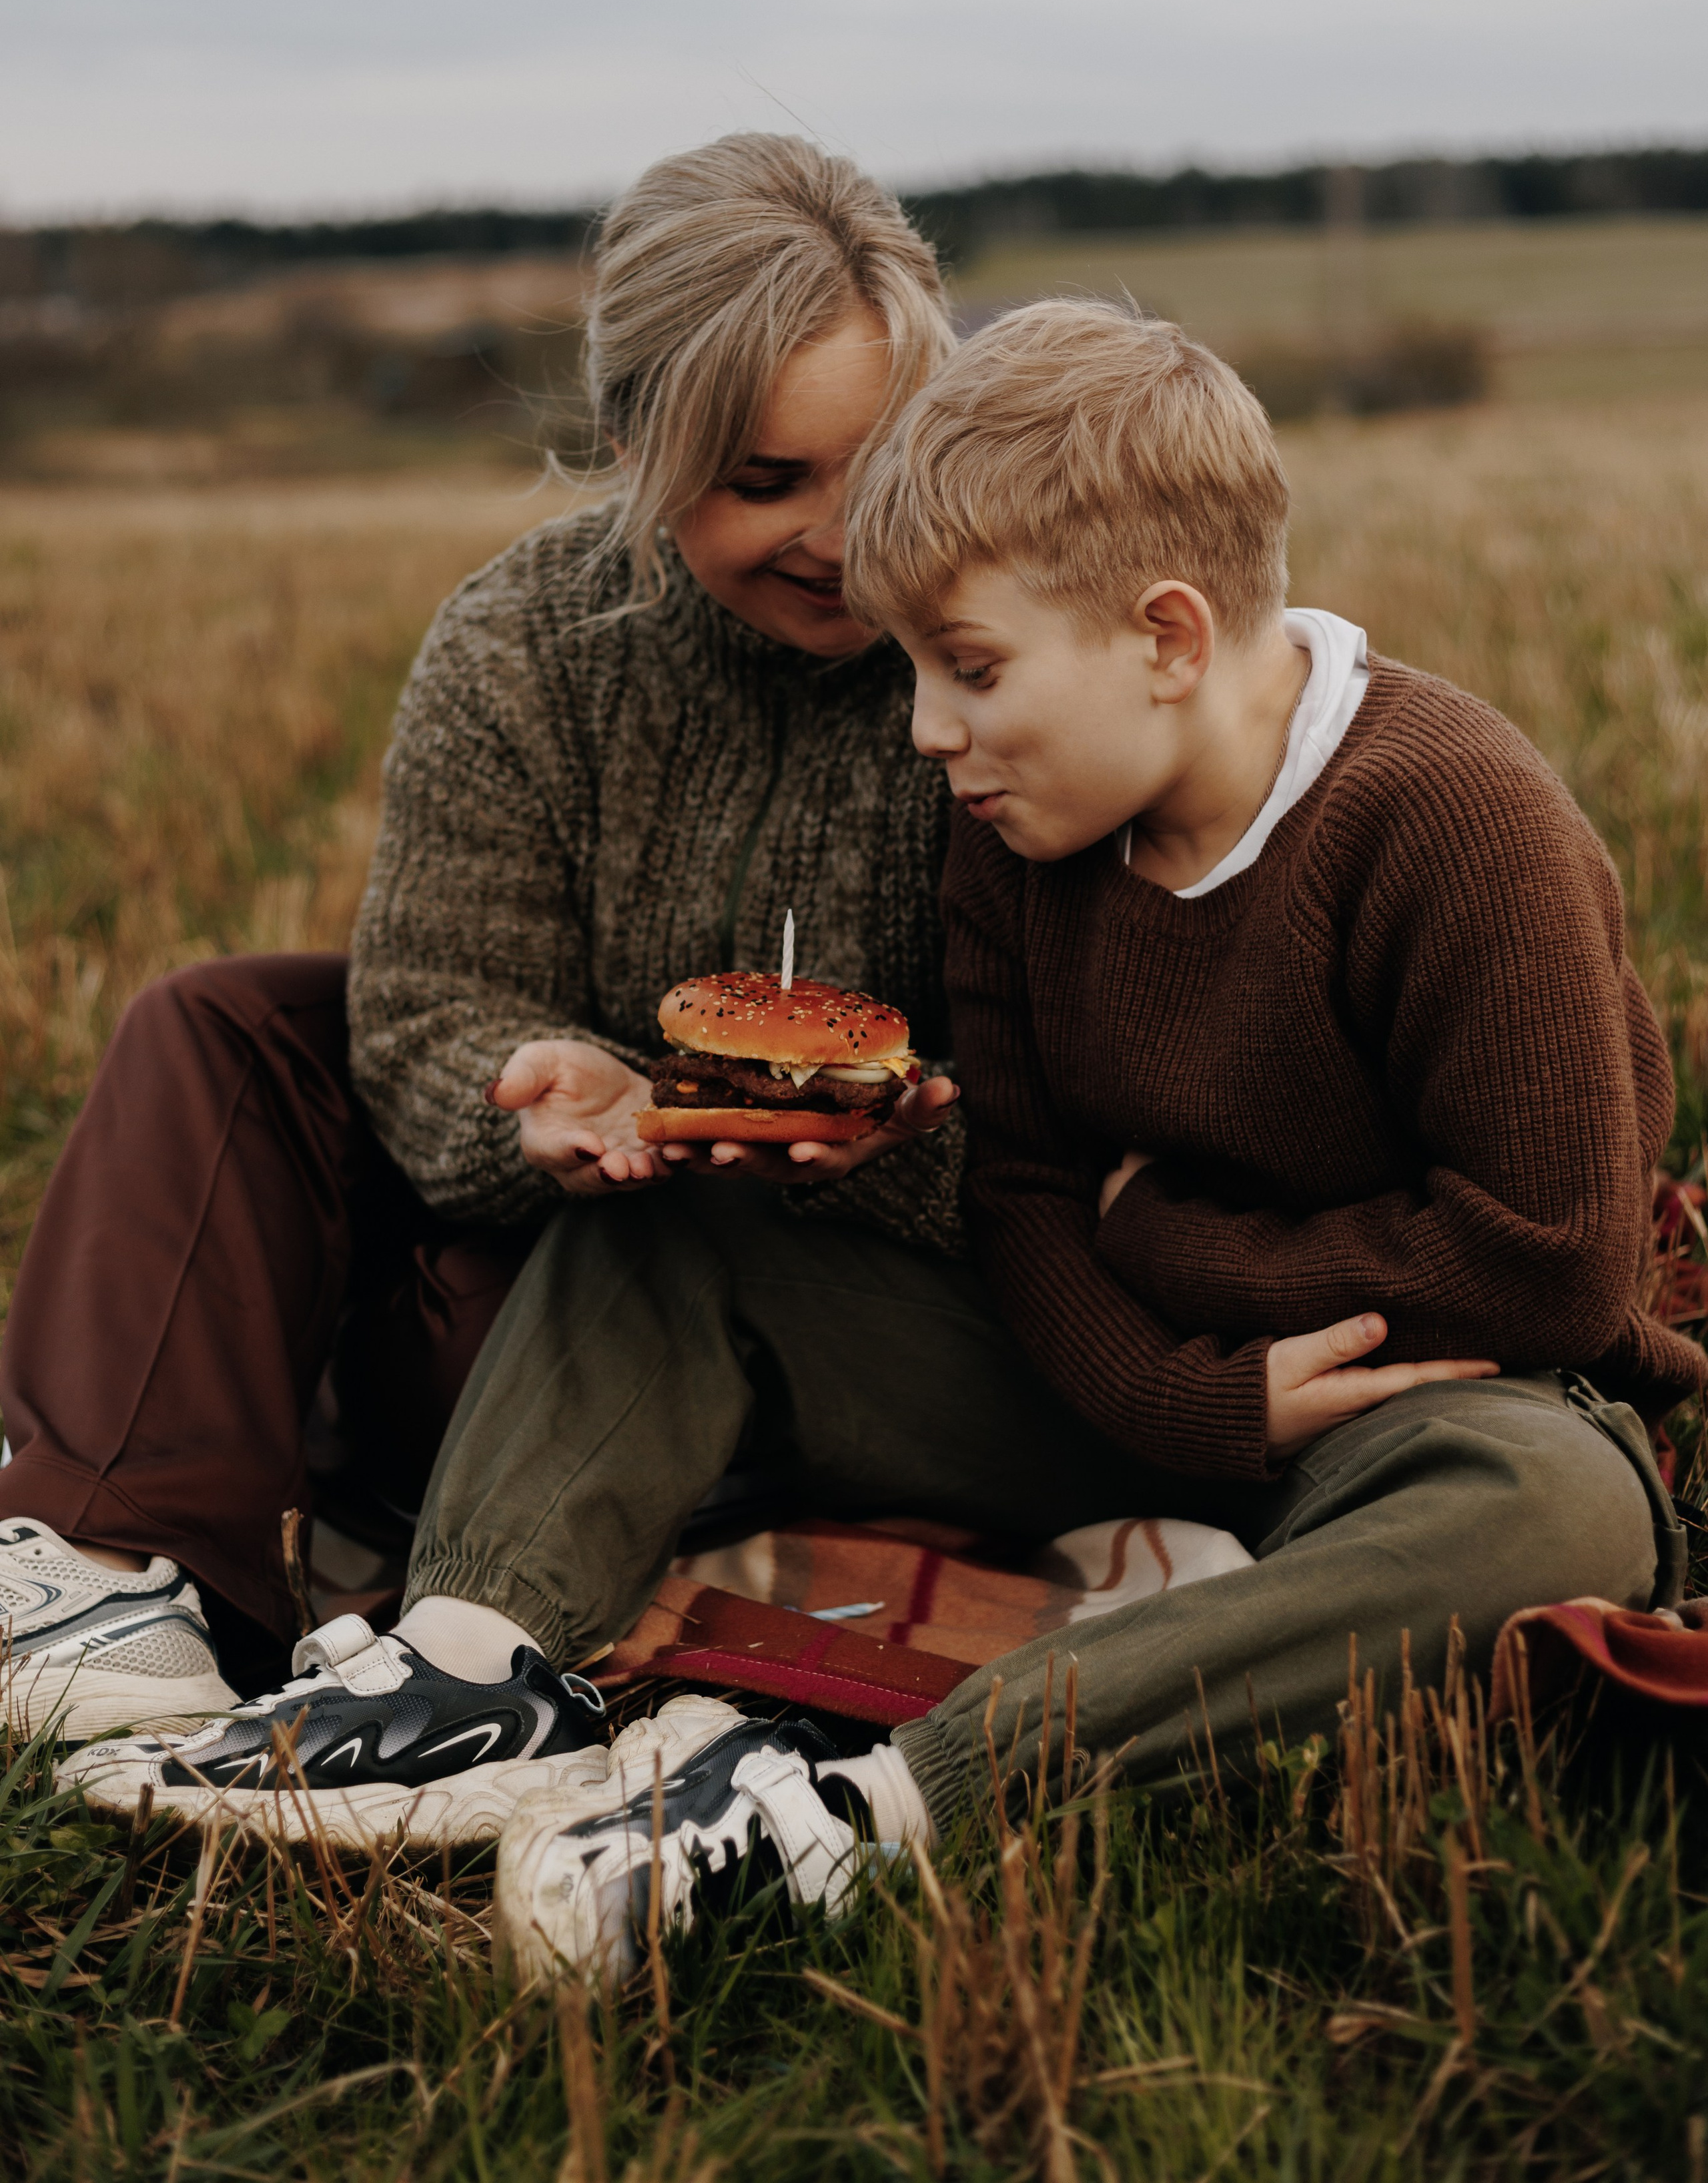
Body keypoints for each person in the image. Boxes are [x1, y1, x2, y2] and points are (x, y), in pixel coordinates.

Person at [73, 300, 1695, 1966]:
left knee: (1563, 1509)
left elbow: (1555, 1269)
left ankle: (865, 1811)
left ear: (1167, 634)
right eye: (915, 671)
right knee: (701, 1206)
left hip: (1402, 1407)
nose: (926, 732)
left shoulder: (1453, 819)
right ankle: (476, 1665)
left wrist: (1172, 1256)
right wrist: (1175, 1383)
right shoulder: (1014, 835)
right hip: (1101, 1379)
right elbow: (1029, 1202)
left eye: (970, 672)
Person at [1, 133, 967, 1751]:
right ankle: (125, 1571)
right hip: (532, 1240)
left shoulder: (1003, 641)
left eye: (881, 464)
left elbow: (1097, 1051)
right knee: (218, 1022)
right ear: (629, 446)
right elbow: (431, 997)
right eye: (764, 482)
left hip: (829, 1321)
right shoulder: (523, 640)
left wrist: (891, 1137)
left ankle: (341, 1512)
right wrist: (520, 1083)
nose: (840, 533)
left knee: (516, 1321)